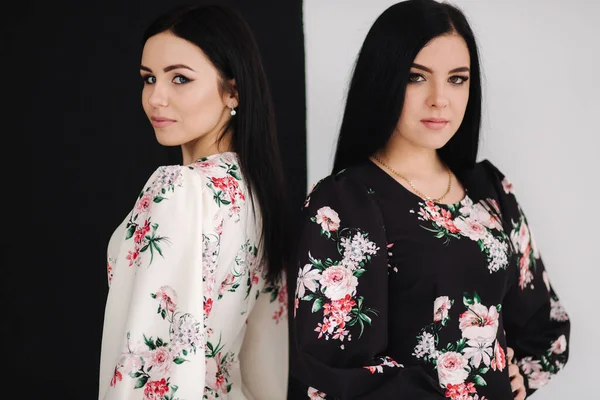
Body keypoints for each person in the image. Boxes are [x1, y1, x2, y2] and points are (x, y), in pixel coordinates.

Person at [288, 1, 570, 399]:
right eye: (417, 77)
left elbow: (545, 322)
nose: (440, 98)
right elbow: (332, 365)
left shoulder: (489, 191)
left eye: (457, 79)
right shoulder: (346, 202)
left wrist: (516, 375)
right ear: (383, 80)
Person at [98, 4, 289, 399]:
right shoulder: (256, 193)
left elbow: (148, 365)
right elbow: (267, 357)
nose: (156, 98)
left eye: (179, 79)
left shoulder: (179, 191)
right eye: (149, 79)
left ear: (232, 89)